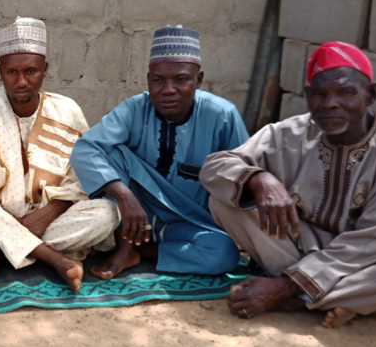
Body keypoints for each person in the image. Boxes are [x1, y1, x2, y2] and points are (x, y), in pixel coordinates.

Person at [201, 41, 376, 327]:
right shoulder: (288, 133)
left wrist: (283, 288)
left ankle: (295, 298)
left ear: (371, 95)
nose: (330, 103)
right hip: (297, 249)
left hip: (370, 262)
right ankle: (345, 299)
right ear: (308, 97)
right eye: (319, 94)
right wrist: (259, 178)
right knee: (226, 198)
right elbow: (214, 167)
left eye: (346, 92)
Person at [0, 17, 119, 293]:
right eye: (11, 72)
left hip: (50, 219)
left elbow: (84, 174)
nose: (21, 82)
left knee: (107, 213)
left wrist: (51, 211)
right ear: (0, 71)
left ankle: (3, 250)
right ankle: (50, 256)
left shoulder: (67, 111)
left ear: (45, 70)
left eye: (30, 71)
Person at [70, 25, 248, 279]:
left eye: (181, 79)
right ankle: (124, 246)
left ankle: (139, 252)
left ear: (198, 80)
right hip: (131, 216)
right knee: (111, 150)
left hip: (189, 222)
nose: (168, 89)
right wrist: (125, 196)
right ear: (148, 80)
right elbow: (86, 148)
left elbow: (244, 172)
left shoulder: (222, 115)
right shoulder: (134, 109)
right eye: (158, 80)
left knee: (224, 254)